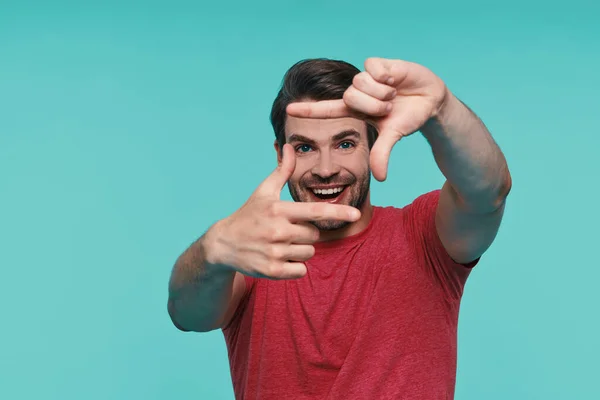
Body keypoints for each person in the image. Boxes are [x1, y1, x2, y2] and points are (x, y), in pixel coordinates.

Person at [167, 57, 512, 399]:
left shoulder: (424, 236)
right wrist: (212, 249)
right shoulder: (252, 253)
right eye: (304, 147)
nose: (326, 169)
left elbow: (488, 191)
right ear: (279, 155)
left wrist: (442, 109)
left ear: (372, 145)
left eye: (345, 144)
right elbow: (186, 314)